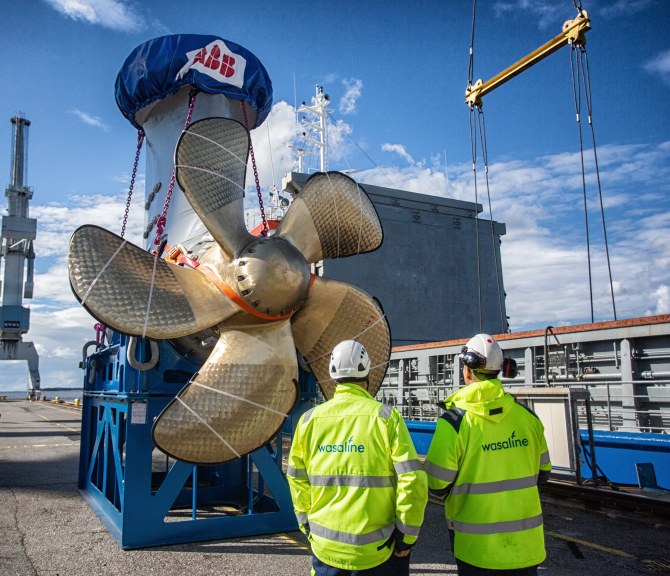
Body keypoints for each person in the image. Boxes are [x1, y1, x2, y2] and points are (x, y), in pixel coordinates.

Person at [287, 340, 428, 575]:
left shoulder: (309, 421)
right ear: (367, 373)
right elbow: (412, 481)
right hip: (377, 551)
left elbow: (296, 480)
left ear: (333, 375)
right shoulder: (386, 418)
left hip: (325, 548)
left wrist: (306, 525)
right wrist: (407, 536)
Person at [424, 333, 551, 575]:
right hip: (527, 548)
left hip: (476, 550)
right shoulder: (528, 418)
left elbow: (436, 483)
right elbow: (543, 473)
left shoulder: (454, 422)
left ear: (467, 370)